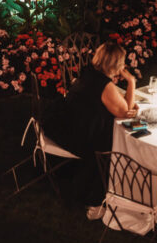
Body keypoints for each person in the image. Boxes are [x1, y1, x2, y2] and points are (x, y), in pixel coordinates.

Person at [44, 42, 138, 204]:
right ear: (116, 64)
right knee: (113, 136)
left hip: (63, 124)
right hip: (76, 135)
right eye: (122, 62)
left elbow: (121, 106)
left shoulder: (89, 73)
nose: (124, 65)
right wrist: (131, 81)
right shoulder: (105, 85)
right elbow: (124, 112)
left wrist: (124, 104)